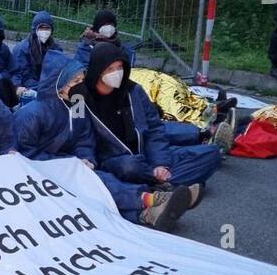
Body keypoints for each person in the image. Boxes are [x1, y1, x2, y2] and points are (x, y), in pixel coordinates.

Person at [14, 53, 193, 231]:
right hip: (41, 173)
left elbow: (83, 139)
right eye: (76, 82)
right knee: (94, 188)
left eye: (82, 81)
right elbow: (22, 154)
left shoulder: (76, 105)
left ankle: (150, 211)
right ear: (58, 85)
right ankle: (150, 201)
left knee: (99, 181)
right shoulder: (32, 114)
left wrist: (86, 158)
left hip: (69, 165)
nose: (82, 86)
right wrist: (63, 164)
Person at [79, 43, 222, 193]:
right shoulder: (83, 97)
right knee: (129, 167)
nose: (116, 73)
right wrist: (88, 160)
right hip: (116, 160)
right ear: (98, 71)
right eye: (110, 69)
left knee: (211, 153)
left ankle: (163, 185)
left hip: (145, 154)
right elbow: (81, 138)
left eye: (120, 68)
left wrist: (160, 164)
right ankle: (172, 184)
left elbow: (155, 129)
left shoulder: (133, 90)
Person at [11, 11, 60, 99]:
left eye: (47, 28)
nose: (44, 32)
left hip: (48, 88)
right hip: (29, 89)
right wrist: (17, 88)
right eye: (41, 28)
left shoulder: (55, 49)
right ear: (35, 29)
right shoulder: (22, 49)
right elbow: (18, 74)